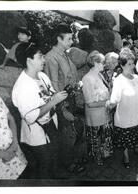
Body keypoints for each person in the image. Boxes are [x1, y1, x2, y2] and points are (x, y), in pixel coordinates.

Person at [12, 42, 68, 179]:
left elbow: (50, 94)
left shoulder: (41, 75)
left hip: (50, 125)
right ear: (29, 60)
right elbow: (30, 117)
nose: (44, 59)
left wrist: (58, 97)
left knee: (54, 158)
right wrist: (54, 101)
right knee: (45, 164)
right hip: (37, 133)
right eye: (40, 57)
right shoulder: (23, 87)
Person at [44, 24, 82, 170]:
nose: (72, 41)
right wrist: (63, 108)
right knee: (67, 135)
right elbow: (53, 87)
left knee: (72, 132)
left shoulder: (64, 53)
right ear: (58, 39)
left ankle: (71, 159)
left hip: (69, 98)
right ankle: (68, 165)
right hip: (61, 103)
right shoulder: (51, 58)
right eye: (68, 38)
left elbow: (69, 76)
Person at [82, 51, 113, 166]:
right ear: (95, 63)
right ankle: (97, 158)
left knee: (103, 136)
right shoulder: (87, 78)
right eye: (102, 62)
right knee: (96, 138)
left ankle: (103, 154)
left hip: (103, 113)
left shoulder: (99, 75)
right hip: (95, 116)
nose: (104, 64)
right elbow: (89, 103)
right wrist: (108, 102)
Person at [0, 90, 27, 179]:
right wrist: (0, 154)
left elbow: (10, 118)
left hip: (14, 150)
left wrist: (15, 143)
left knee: (25, 179)